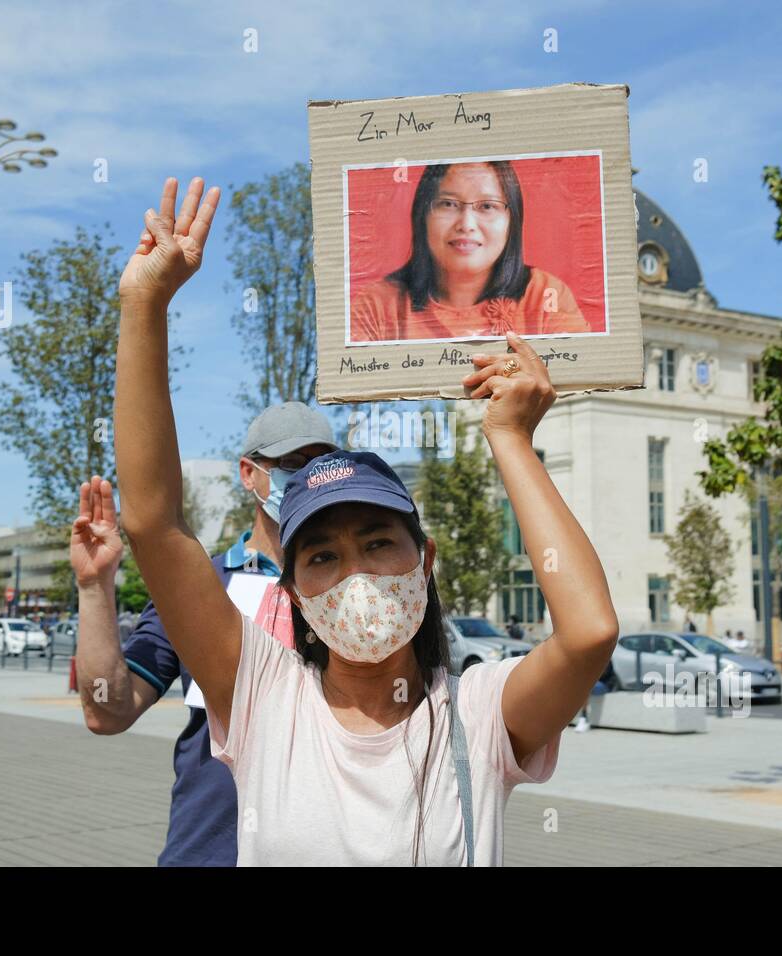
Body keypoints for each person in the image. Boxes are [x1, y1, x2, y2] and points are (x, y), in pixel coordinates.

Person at [116, 176, 619, 865]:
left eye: (378, 543)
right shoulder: (262, 696)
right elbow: (153, 524)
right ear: (289, 591)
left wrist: (511, 440)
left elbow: (590, 631)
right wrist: (145, 304)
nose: (355, 573)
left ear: (426, 560)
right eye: (321, 556)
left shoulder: (477, 714)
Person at [73, 402, 337, 866]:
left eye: (319, 466)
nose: (304, 478)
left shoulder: (356, 588)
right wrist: (95, 587)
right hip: (210, 852)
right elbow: (108, 712)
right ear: (248, 474)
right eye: (291, 465)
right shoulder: (200, 586)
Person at [350, 161, 591, 343]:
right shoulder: (378, 306)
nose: (466, 224)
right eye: (448, 204)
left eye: (487, 206)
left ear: (512, 220)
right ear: (422, 215)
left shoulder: (544, 295)